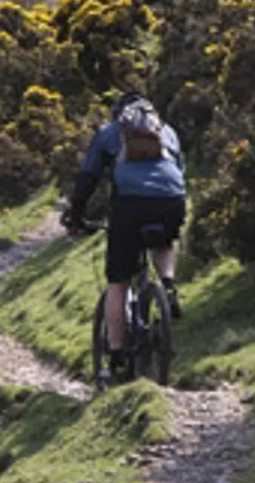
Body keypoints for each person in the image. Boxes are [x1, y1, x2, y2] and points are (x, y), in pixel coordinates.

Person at [63, 91, 186, 381]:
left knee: (118, 283)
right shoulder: (167, 131)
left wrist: (76, 216)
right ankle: (167, 286)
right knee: (164, 241)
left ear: (119, 113)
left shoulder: (109, 132)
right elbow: (180, 171)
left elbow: (88, 177)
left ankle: (116, 354)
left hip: (129, 205)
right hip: (172, 199)